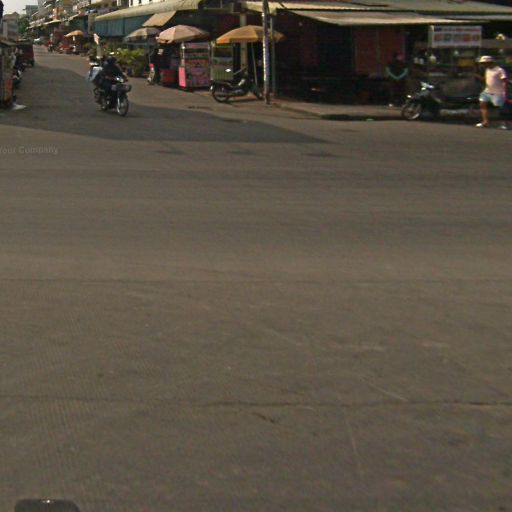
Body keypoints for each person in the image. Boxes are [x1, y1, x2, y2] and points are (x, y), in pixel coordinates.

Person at [475, 55, 508, 129]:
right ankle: (485, 122)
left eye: (484, 63)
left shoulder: (499, 70)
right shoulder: (487, 70)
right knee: (482, 104)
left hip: (498, 92)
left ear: (490, 62)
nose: (483, 65)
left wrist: (504, 92)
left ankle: (503, 123)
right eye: (482, 63)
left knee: (499, 108)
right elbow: (487, 79)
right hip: (487, 91)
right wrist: (478, 77)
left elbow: (504, 80)